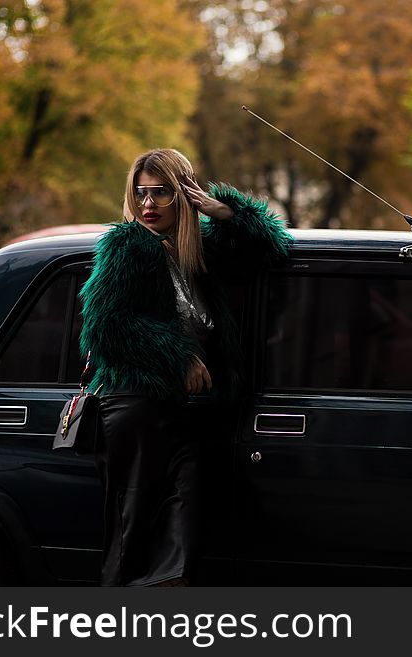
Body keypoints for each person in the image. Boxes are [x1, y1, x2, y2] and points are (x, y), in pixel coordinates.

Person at [78, 148, 292, 586]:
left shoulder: (198, 250)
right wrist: (181, 355)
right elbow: (106, 325)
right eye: (141, 193)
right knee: (133, 531)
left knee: (182, 532)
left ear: (183, 194)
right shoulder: (127, 246)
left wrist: (223, 210)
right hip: (135, 407)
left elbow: (272, 247)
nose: (148, 205)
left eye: (162, 193)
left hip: (185, 413)